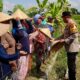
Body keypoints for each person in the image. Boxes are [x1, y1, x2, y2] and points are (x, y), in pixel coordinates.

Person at [57, 11, 79, 80]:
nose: (62, 19)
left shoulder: (72, 24)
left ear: (66, 17)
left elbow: (75, 35)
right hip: (70, 48)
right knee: (70, 66)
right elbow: (64, 35)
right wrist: (56, 39)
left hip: (72, 49)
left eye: (63, 17)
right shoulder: (68, 24)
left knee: (71, 67)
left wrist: (64, 40)